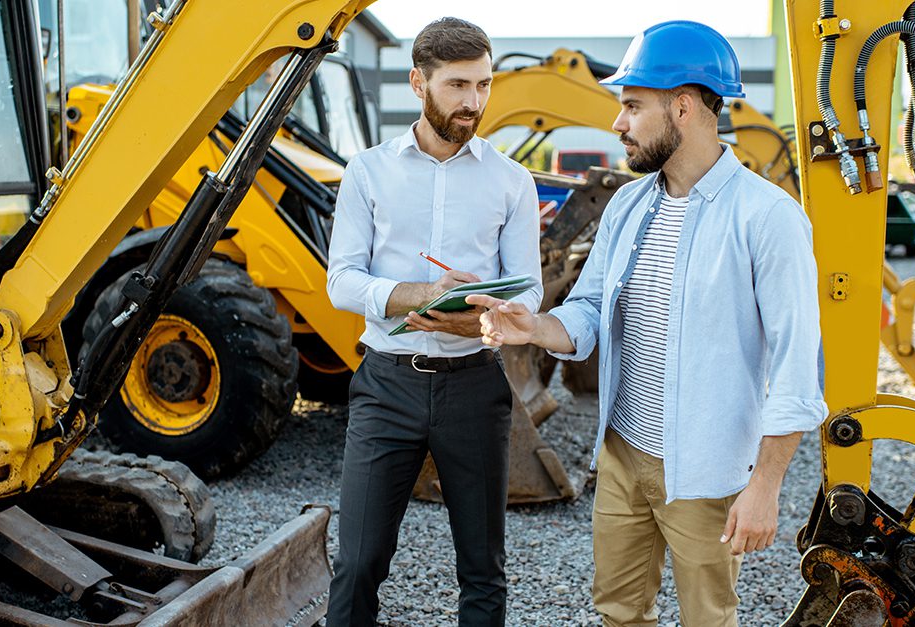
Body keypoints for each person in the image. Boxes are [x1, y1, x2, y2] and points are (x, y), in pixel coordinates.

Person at [468, 21, 828, 626]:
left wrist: (765, 486)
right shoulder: (629, 206)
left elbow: (798, 368)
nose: (618, 123)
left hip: (706, 473)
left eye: (632, 106)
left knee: (707, 618)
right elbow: (587, 313)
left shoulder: (768, 218)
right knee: (618, 610)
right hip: (622, 453)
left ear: (682, 106)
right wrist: (531, 326)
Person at [324, 17, 542, 627]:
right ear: (418, 82)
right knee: (361, 560)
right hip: (386, 385)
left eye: (484, 85)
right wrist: (420, 294)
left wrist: (483, 315)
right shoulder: (368, 171)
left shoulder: (511, 181)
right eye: (457, 86)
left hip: (475, 385)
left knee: (482, 567)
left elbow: (530, 288)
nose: (474, 102)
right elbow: (340, 281)